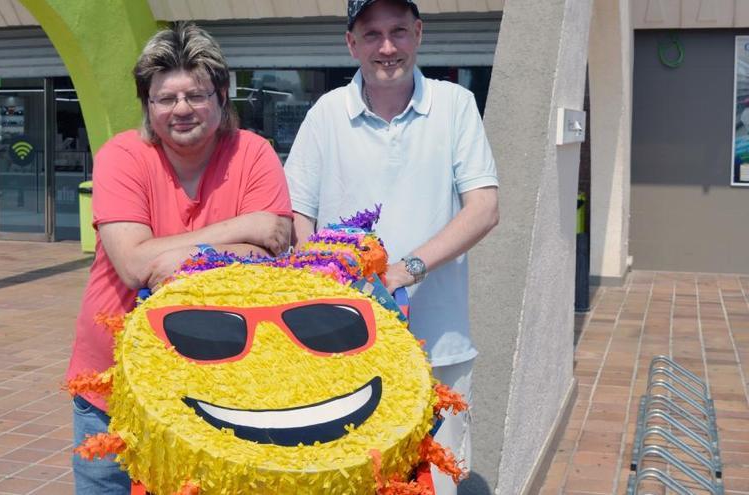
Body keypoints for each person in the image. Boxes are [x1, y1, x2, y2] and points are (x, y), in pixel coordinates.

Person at [66, 22, 292, 494]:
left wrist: (169, 254)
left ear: (222, 94)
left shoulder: (254, 154)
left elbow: (271, 252)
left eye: (196, 95)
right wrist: (241, 229)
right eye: (165, 99)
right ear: (148, 104)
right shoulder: (121, 157)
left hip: (219, 391)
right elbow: (134, 267)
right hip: (114, 390)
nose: (181, 109)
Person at [284, 1, 499, 493]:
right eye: (372, 34)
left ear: (418, 33)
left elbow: (484, 208)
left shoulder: (455, 105)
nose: (387, 47)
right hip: (344, 349)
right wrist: (326, 272)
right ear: (351, 43)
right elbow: (298, 211)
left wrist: (403, 271)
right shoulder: (325, 114)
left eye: (398, 31)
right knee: (350, 478)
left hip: (437, 346)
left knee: (437, 482)